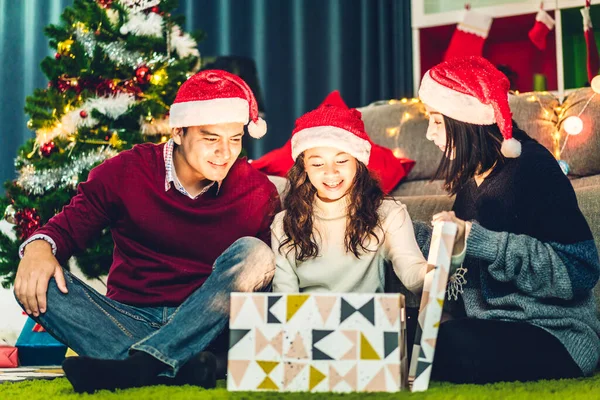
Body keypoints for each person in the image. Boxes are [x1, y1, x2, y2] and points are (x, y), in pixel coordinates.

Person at [13, 70, 281, 393]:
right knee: (41, 285)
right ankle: (182, 366)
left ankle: (139, 368)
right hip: (128, 319)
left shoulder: (257, 192)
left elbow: (267, 286)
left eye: (235, 139)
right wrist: (39, 247)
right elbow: (66, 229)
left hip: (209, 324)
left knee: (256, 255)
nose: (225, 153)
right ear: (178, 132)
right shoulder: (127, 171)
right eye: (211, 139)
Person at [415, 55, 600, 383]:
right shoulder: (471, 180)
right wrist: (402, 226)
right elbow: (463, 261)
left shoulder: (532, 169)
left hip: (555, 334)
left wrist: (477, 238)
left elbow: (579, 271)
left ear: (466, 120)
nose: (429, 134)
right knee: (411, 340)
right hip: (493, 326)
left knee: (443, 348)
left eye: (437, 121)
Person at [271, 91, 464, 294]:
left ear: (358, 163)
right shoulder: (283, 224)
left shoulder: (388, 213)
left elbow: (413, 277)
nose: (331, 172)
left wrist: (445, 262)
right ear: (304, 169)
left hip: (366, 321)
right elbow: (284, 298)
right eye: (318, 163)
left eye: (342, 160)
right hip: (305, 322)